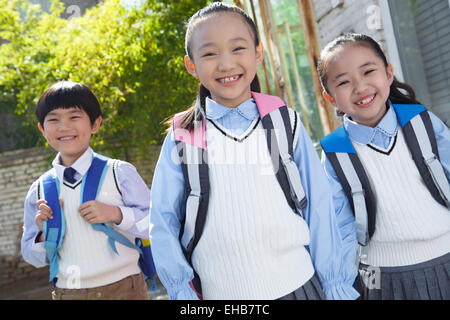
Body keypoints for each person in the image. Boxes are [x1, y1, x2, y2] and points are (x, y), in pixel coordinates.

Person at [149, 2, 358, 300]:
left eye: (238, 48)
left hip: (299, 286)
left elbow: (320, 209)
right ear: (191, 65)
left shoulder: (285, 122)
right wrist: (181, 291)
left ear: (258, 53)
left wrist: (335, 284)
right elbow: (163, 221)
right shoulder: (185, 133)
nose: (225, 64)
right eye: (209, 53)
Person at [318, 33, 450, 300]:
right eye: (343, 82)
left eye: (368, 72)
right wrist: (340, 288)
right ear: (329, 97)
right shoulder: (334, 152)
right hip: (380, 277)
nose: (360, 87)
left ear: (388, 74)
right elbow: (339, 229)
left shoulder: (421, 122)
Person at [21, 81, 152, 300]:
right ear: (42, 130)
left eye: (74, 116)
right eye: (54, 119)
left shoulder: (119, 173)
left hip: (125, 289)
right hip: (69, 292)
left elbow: (156, 224)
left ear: (95, 124)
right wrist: (44, 232)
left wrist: (116, 214)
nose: (63, 127)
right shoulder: (40, 190)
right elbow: (32, 256)